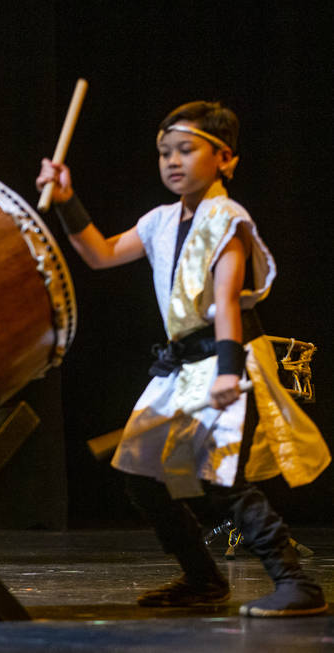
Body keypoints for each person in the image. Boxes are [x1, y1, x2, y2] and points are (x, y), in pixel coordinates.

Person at [36, 101, 329, 617]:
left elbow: (226, 300)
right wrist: (66, 200)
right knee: (141, 476)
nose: (172, 161)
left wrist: (226, 372)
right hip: (179, 367)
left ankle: (297, 583)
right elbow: (100, 254)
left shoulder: (229, 220)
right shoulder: (160, 221)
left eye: (186, 150)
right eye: (164, 152)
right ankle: (202, 579)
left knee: (222, 478)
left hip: (224, 356)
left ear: (225, 160)